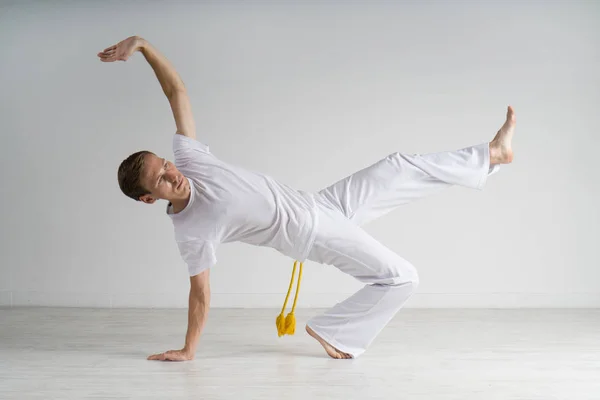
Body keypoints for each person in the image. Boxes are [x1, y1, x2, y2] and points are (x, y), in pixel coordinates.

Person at [99, 36, 515, 361]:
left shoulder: (190, 161)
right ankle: (336, 332)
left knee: (398, 165)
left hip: (319, 205)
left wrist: (144, 45)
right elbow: (201, 295)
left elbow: (178, 93)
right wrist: (189, 349)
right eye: (162, 180)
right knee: (404, 277)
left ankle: (491, 156)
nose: (173, 174)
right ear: (149, 199)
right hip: (311, 231)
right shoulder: (192, 231)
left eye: (165, 165)